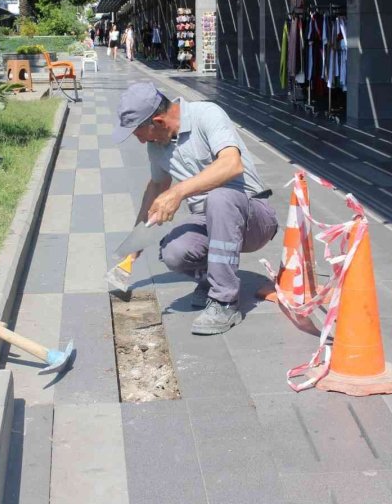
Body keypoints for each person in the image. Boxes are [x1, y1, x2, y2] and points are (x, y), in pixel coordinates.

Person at [112, 82, 278, 335]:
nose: (140, 140)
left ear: (157, 121)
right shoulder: (156, 146)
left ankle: (225, 302)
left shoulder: (206, 114)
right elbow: (156, 188)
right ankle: (212, 280)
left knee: (219, 198)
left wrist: (178, 192)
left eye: (138, 133)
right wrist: (135, 245)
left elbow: (232, 165)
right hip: (209, 219)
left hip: (254, 216)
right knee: (173, 251)